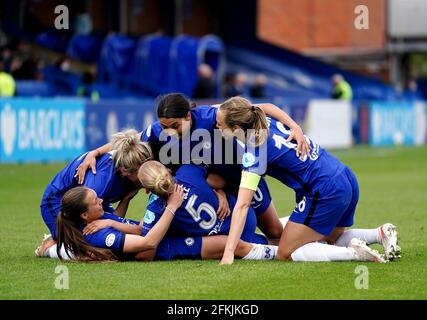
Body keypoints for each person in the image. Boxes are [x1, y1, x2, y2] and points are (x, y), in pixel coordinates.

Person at [75, 93, 310, 243]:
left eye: (175, 125)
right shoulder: (159, 131)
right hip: (214, 185)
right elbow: (130, 140)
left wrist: (294, 126)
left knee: (275, 233)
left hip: (244, 178)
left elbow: (262, 107)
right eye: (165, 126)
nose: (169, 132)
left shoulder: (211, 116)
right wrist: (95, 153)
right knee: (244, 238)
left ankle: (316, 237)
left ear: (188, 115)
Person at [215, 96, 400, 264]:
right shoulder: (260, 118)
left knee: (286, 252)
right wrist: (295, 126)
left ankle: (354, 254)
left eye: (220, 125)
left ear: (236, 129)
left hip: (325, 189)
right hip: (344, 175)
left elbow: (242, 205)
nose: (217, 127)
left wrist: (229, 251)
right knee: (329, 239)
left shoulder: (254, 153)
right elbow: (269, 106)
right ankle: (380, 233)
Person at [38, 186, 277, 262]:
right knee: (230, 244)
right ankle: (285, 253)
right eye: (94, 201)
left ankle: (282, 242)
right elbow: (148, 241)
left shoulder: (99, 219)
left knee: (242, 236)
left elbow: (134, 226)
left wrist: (127, 199)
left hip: (159, 235)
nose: (101, 200)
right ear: (83, 216)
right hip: (163, 248)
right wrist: (172, 206)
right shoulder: (97, 235)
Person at [36, 130, 153, 258]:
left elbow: (113, 218)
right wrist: (137, 230)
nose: (146, 174)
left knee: (110, 233)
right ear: (125, 171)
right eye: (142, 172)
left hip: (90, 204)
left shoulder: (128, 154)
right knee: (90, 250)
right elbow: (98, 220)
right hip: (56, 204)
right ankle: (52, 246)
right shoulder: (99, 182)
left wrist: (126, 199)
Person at [138, 161, 267, 244]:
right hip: (244, 218)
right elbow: (219, 180)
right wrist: (220, 191)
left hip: (227, 239)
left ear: (147, 190)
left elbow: (147, 240)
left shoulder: (155, 209)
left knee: (259, 246)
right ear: (168, 170)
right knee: (271, 241)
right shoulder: (187, 171)